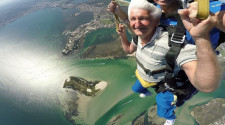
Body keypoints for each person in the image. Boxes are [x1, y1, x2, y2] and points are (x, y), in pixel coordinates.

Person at [113, 0, 221, 124]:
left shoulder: (170, 44)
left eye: (142, 19)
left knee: (163, 108)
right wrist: (121, 26)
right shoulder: (139, 35)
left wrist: (201, 38)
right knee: (137, 89)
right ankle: (145, 91)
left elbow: (207, 85)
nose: (136, 24)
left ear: (155, 23)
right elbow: (129, 45)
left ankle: (170, 118)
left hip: (166, 85)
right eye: (133, 19)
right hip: (146, 77)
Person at [107, 0, 225, 48]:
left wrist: (211, 17)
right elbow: (140, 31)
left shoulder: (205, 6)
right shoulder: (154, 9)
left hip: (184, 75)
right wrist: (120, 13)